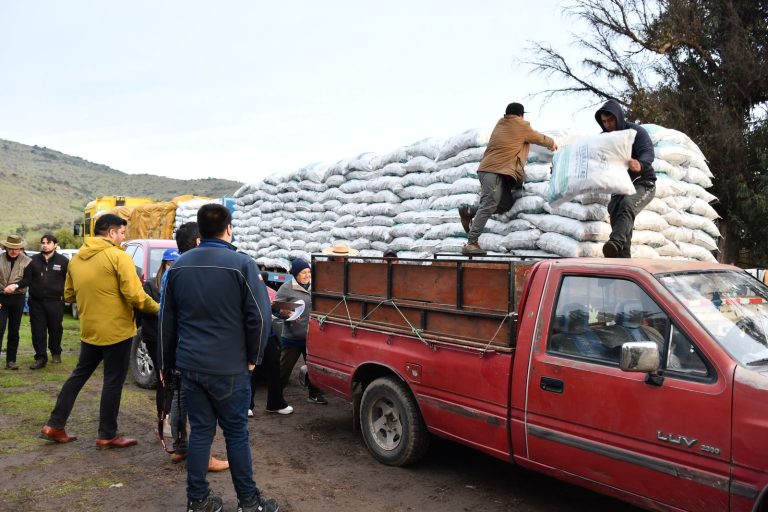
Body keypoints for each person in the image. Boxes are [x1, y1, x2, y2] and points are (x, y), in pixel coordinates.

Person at [160, 204, 279, 512]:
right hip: (230, 368)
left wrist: (167, 364)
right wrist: (254, 357)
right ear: (229, 228)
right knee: (236, 434)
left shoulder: (178, 267)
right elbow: (261, 317)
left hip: (191, 367)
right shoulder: (242, 264)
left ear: (199, 231)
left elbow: (166, 322)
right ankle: (248, 502)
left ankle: (197, 501)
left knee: (200, 432)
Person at [39, 214, 159, 447]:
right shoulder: (118, 256)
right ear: (111, 233)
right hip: (117, 330)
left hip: (90, 329)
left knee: (78, 376)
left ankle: (54, 424)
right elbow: (135, 296)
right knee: (113, 381)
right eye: (122, 233)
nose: (124, 237)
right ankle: (107, 434)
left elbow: (69, 295)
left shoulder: (77, 260)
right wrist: (158, 308)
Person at [157, 223, 229, 472]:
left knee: (178, 397)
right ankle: (204, 457)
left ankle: (180, 447)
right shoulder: (195, 269)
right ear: (199, 241)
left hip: (176, 346)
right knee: (201, 406)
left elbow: (165, 316)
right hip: (193, 348)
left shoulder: (172, 271)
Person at [459, 102, 558, 255]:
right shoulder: (520, 125)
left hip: (492, 171)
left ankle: (469, 212)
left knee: (505, 204)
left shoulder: (501, 124)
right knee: (490, 202)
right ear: (521, 115)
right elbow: (537, 137)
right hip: (494, 171)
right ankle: (471, 243)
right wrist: (552, 143)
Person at [594, 99, 656, 258]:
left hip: (643, 183)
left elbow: (648, 152)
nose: (608, 125)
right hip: (620, 188)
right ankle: (621, 266)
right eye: (604, 122)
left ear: (619, 117)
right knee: (617, 217)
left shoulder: (636, 132)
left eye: (611, 120)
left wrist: (640, 164)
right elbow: (590, 160)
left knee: (628, 205)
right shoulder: (602, 140)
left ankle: (614, 242)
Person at [276, 258, 327, 405]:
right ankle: (276, 396)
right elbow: (275, 307)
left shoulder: (315, 286)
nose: (307, 275)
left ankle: (314, 394)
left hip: (311, 336)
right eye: (303, 272)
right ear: (295, 274)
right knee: (284, 369)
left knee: (312, 367)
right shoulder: (287, 288)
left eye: (308, 272)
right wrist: (285, 314)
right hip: (292, 337)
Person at [21, 234, 69, 369]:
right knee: (38, 331)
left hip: (55, 302)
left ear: (55, 244)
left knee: (55, 329)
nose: (45, 245)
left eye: (48, 243)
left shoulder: (63, 261)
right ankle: (41, 357)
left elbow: (69, 280)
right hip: (36, 302)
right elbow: (26, 279)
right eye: (43, 242)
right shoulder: (32, 260)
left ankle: (55, 352)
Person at [0, 234, 32, 370]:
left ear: (21, 248)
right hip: (1, 298)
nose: (13, 251)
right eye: (11, 248)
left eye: (16, 248)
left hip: (18, 299)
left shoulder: (27, 261)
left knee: (14, 331)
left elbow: (28, 279)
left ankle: (11, 361)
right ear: (6, 247)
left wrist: (16, 285)